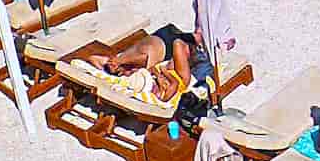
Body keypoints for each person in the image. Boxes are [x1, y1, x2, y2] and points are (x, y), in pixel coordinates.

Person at [89, 25, 223, 103]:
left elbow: (93, 59)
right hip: (174, 64)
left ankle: (198, 38)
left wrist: (118, 62)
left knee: (182, 43)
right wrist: (160, 75)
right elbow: (172, 84)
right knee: (185, 46)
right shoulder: (158, 90)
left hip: (163, 41)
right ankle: (199, 40)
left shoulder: (126, 60)